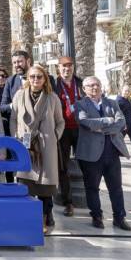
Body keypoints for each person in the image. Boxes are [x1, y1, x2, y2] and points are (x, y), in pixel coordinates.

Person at [10, 64, 64, 235]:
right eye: (32, 76)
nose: (35, 80)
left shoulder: (52, 97)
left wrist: (53, 136)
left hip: (46, 145)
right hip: (25, 144)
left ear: (44, 79)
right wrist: (15, 138)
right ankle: (27, 217)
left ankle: (47, 215)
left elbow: (60, 121)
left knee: (46, 183)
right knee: (26, 181)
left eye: (39, 77)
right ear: (28, 78)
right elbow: (13, 119)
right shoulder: (19, 95)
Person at [76, 76, 131, 231]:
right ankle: (97, 216)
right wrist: (108, 120)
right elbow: (86, 123)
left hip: (112, 152)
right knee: (92, 187)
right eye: (91, 85)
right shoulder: (80, 105)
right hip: (91, 155)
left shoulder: (112, 103)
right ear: (84, 89)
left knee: (116, 187)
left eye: (97, 85)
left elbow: (121, 123)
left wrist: (100, 126)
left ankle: (119, 217)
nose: (95, 88)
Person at [54, 56, 84, 217]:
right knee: (63, 166)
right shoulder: (54, 85)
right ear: (59, 68)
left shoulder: (80, 84)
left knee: (86, 163)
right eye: (64, 66)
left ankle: (92, 197)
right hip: (62, 130)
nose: (67, 69)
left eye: (69, 66)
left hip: (80, 129)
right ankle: (68, 202)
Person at [1, 50, 31, 119]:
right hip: (18, 125)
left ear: (28, 61)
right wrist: (14, 105)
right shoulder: (10, 81)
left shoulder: (44, 78)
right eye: (14, 63)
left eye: (20, 61)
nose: (17, 65)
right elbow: (2, 107)